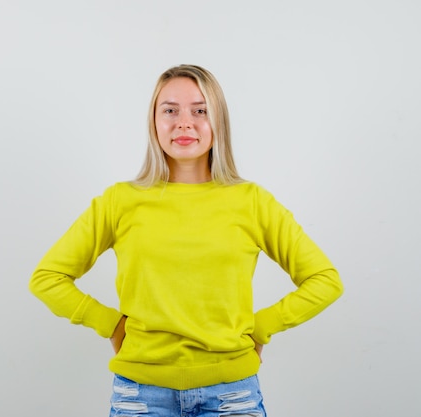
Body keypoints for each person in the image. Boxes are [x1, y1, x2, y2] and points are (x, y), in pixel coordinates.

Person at [29, 64, 343, 417]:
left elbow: (325, 281)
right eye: (170, 110)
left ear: (218, 122)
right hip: (140, 396)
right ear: (154, 121)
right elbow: (47, 278)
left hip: (232, 395)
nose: (184, 122)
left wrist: (261, 328)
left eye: (200, 110)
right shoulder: (119, 200)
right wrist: (112, 325)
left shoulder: (252, 201)